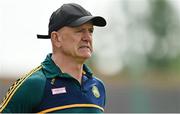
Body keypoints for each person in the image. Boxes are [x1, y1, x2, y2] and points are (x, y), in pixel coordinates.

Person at [0, 3, 107, 113]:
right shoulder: (35, 84)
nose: (87, 37)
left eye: (90, 31)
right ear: (56, 38)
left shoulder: (98, 86)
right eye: (80, 31)